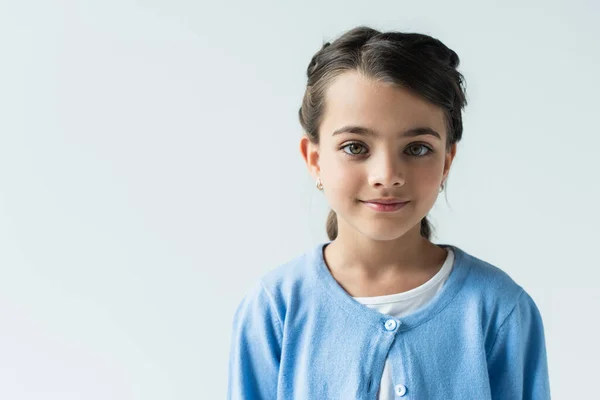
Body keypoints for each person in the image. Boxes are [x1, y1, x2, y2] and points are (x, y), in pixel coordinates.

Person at [227, 25, 551, 399]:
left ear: (447, 161)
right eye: (354, 147)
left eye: (416, 149)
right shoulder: (275, 309)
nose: (387, 176)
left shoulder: (500, 310)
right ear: (315, 160)